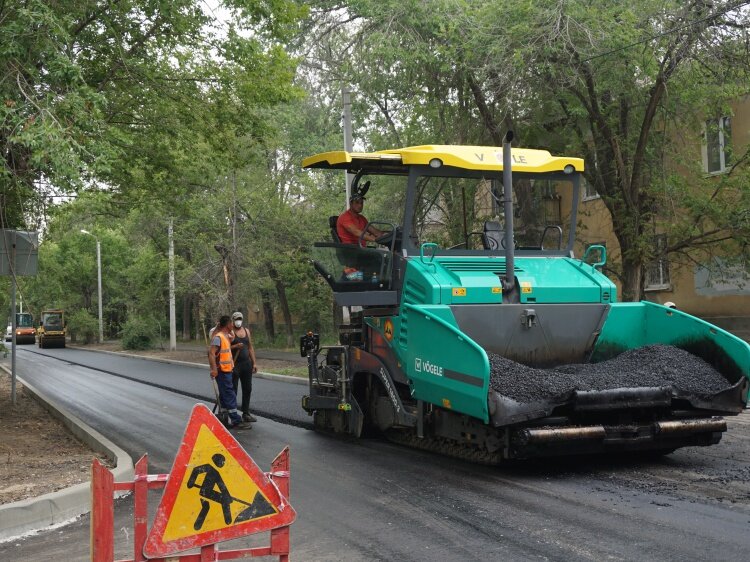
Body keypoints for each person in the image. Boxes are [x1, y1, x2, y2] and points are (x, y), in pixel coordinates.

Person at [208, 315, 250, 429]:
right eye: (231, 323)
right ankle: (236, 420)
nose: (233, 325)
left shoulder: (226, 336)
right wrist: (214, 369)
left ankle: (224, 419)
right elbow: (211, 353)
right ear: (227, 324)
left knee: (224, 395)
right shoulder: (218, 337)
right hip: (222, 371)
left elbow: (228, 343)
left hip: (227, 370)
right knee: (230, 394)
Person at [230, 311, 258, 423]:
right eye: (236, 319)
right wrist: (236, 346)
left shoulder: (246, 331)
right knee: (234, 390)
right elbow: (226, 347)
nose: (238, 321)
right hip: (235, 364)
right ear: (233, 320)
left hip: (247, 364)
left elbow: (250, 347)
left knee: (247, 389)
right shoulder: (231, 332)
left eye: (240, 319)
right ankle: (233, 415)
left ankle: (246, 413)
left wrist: (254, 363)